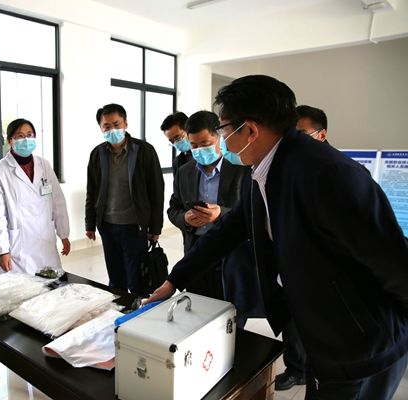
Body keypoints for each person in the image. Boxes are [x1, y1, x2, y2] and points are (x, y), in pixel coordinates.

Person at [147, 75, 408, 400]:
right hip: (323, 330)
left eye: (224, 130)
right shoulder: (262, 170)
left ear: (250, 130)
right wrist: (175, 279)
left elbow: (392, 260)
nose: (223, 140)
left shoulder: (327, 174)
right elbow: (229, 230)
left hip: (363, 342)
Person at [166, 110, 262, 328]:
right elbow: (173, 208)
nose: (199, 150)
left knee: (232, 317)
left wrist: (221, 214)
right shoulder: (185, 171)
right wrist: (185, 218)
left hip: (232, 255)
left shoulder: (242, 168)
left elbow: (254, 210)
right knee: (197, 313)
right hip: (196, 252)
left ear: (219, 137)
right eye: (194, 145)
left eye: (205, 144)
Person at [275, 104, 332, 391]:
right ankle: (296, 368)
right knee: (293, 325)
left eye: (301, 134)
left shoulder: (339, 174)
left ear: (321, 135)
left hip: (324, 280)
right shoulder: (286, 170)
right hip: (291, 269)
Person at [85, 103, 164, 296]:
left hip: (134, 227)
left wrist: (155, 227)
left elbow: (156, 190)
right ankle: (119, 310)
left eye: (116, 124)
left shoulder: (144, 150)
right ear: (101, 128)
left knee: (137, 280)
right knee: (115, 279)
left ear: (125, 123)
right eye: (106, 126)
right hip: (107, 226)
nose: (112, 130)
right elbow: (92, 191)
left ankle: (140, 312)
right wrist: (90, 223)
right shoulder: (97, 153)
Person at [0, 118, 70, 274]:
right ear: (10, 140)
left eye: (29, 135)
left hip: (45, 240)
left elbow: (58, 201)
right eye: (20, 136)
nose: (26, 140)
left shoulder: (44, 165)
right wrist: (3, 250)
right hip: (19, 246)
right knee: (22, 287)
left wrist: (64, 234)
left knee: (51, 283)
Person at [160, 111, 192, 176]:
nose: (176, 143)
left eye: (177, 138)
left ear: (188, 130)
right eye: (172, 141)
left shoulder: (206, 155)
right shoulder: (177, 162)